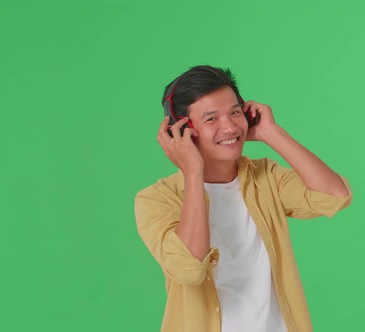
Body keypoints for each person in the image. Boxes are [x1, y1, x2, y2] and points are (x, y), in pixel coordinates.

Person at [134, 65, 353, 332]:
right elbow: (188, 270)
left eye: (235, 112)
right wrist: (193, 173)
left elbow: (335, 196)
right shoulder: (156, 199)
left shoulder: (266, 177)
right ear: (182, 130)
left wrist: (271, 132)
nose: (229, 127)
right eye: (212, 119)